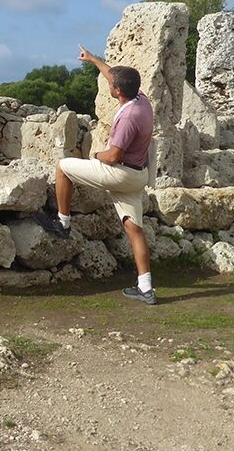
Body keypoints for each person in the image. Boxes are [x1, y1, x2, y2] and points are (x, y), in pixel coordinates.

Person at [37, 44, 157, 305]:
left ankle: (63, 222)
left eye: (113, 85)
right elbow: (114, 76)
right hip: (139, 175)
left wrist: (95, 156)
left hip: (120, 173)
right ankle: (146, 288)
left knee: (63, 167)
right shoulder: (143, 100)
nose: (110, 85)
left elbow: (113, 156)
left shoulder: (128, 118)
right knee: (134, 229)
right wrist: (93, 60)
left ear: (118, 92)